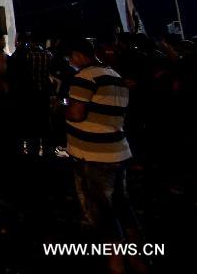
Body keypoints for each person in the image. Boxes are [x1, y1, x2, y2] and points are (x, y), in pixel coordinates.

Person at [65, 37, 141, 274]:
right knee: (121, 205)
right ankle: (137, 257)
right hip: (117, 150)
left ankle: (115, 263)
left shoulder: (85, 77)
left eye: (70, 58)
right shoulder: (115, 76)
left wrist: (61, 108)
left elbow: (76, 113)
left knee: (102, 211)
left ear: (77, 55)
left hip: (94, 155)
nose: (70, 63)